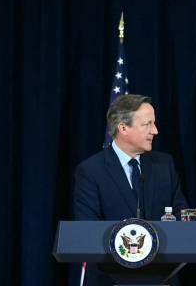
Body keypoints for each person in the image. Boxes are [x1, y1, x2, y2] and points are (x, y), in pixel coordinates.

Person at [73, 94, 188, 285]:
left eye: (154, 123)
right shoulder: (91, 171)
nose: (155, 131)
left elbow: (182, 214)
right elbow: (88, 229)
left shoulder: (164, 164)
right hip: (109, 280)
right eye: (147, 124)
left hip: (161, 279)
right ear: (123, 128)